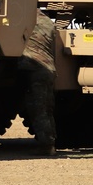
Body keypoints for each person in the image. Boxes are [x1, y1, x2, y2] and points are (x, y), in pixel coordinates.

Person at [17, 11, 58, 155]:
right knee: (48, 109)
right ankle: (51, 143)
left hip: (35, 69)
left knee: (38, 109)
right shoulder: (48, 22)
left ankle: (46, 145)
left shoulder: (24, 20)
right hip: (49, 69)